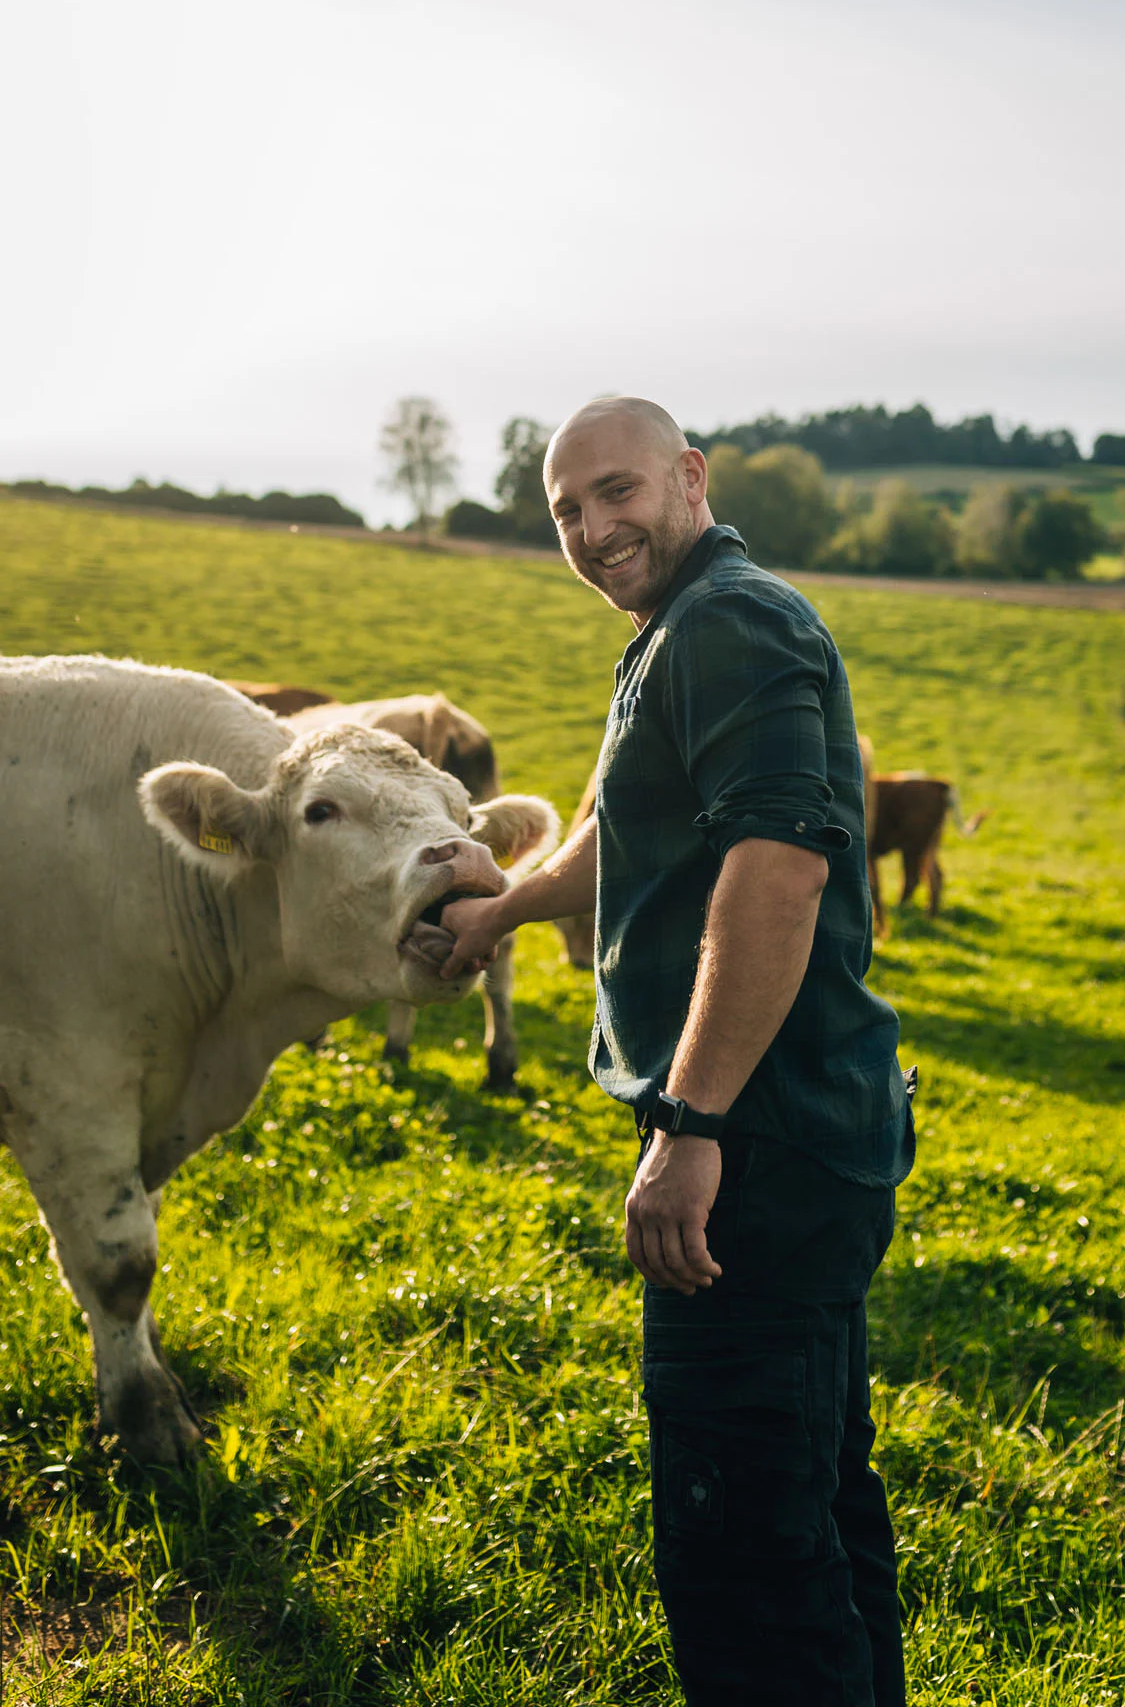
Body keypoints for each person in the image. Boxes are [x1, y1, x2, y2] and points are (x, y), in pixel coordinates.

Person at [437, 397, 916, 1705]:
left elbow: (776, 876)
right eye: (565, 513)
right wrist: (503, 913)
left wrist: (689, 1124)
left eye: (616, 493)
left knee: (743, 1559)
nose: (593, 530)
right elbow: (620, 838)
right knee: (809, 1506)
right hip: (789, 1135)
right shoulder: (679, 634)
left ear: (689, 478)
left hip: (756, 1151)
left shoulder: (733, 623)